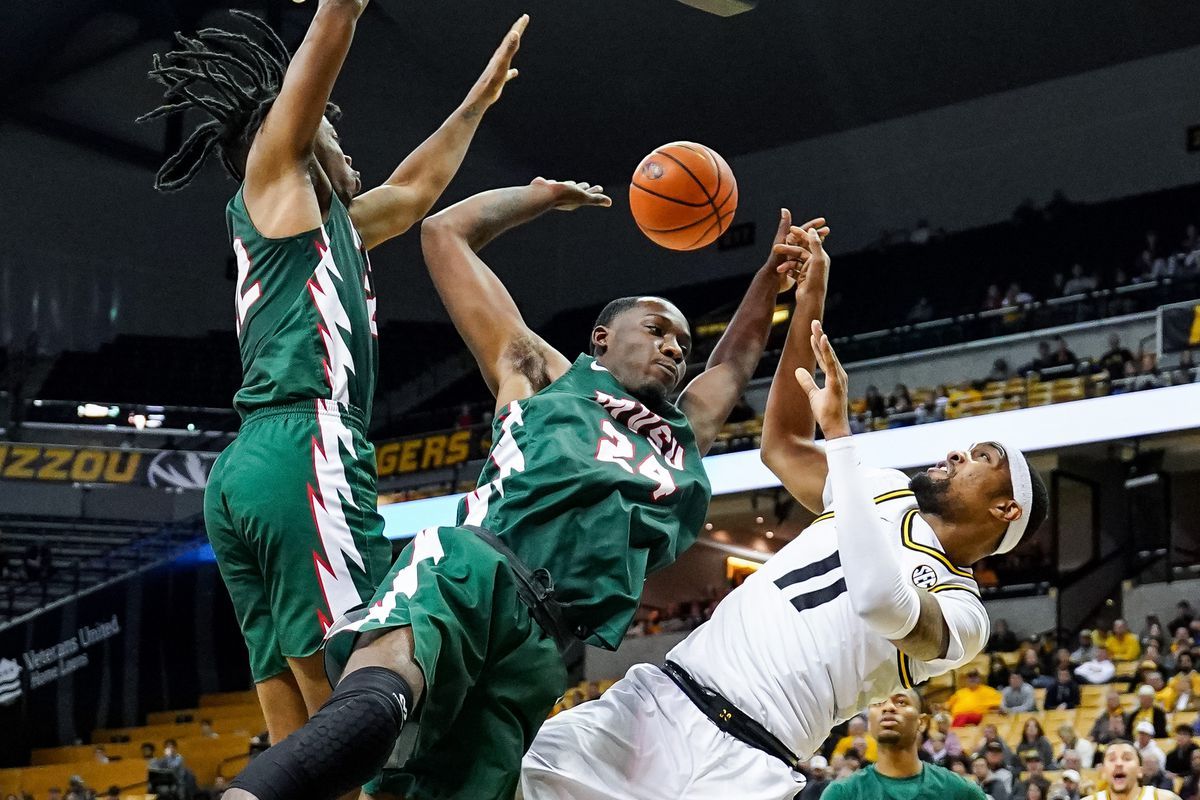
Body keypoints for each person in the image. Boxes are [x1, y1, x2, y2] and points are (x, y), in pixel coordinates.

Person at [225, 186, 805, 799]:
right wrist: (539, 198)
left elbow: (734, 366)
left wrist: (769, 280)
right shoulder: (541, 371)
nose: (672, 347)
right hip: (479, 568)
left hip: (547, 645)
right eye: (657, 329)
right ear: (601, 339)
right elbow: (442, 233)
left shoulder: (677, 438)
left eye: (682, 345)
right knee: (385, 692)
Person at [523, 237, 1048, 798]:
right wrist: (809, 300)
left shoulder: (965, 615)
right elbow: (783, 442)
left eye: (981, 459)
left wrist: (842, 437)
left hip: (755, 763)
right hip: (663, 701)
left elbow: (879, 601)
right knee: (500, 777)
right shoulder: (880, 489)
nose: (955, 455)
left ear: (1006, 508)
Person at [142, 3, 530, 745]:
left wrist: (477, 101)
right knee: (357, 689)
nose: (346, 145)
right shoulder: (276, 179)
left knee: (289, 705)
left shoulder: (327, 227)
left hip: (253, 464)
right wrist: (339, 11)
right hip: (304, 448)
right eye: (332, 130)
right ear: (295, 136)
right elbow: (324, 43)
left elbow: (417, 193)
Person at [818, 689, 987, 799]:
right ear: (869, 721)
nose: (888, 707)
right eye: (878, 702)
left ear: (922, 722)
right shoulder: (841, 794)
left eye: (901, 702)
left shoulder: (961, 793)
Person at [1084, 740, 1182, 799]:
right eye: (1112, 759)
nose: (1119, 763)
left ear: (1140, 771)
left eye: (1127, 758)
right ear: (1104, 772)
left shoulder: (1164, 798)